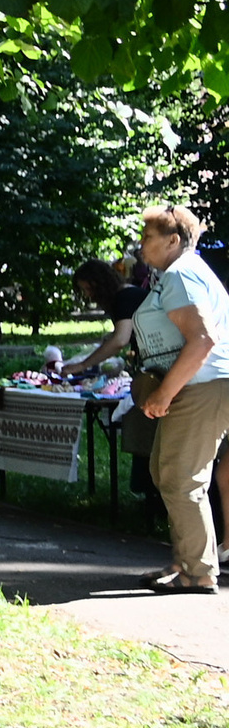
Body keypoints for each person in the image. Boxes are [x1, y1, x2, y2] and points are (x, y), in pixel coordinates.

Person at [131, 205, 229, 594]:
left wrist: (163, 394)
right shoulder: (176, 274)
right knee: (167, 472)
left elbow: (203, 340)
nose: (141, 245)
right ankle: (185, 562)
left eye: (147, 237)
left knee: (182, 479)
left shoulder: (181, 274)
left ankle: (199, 572)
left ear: (173, 240)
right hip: (198, 385)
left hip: (201, 386)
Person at [66, 256, 151, 377]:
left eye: (89, 289)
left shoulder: (125, 297)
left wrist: (82, 365)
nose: (88, 294)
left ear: (101, 283)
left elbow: (120, 340)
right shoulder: (123, 296)